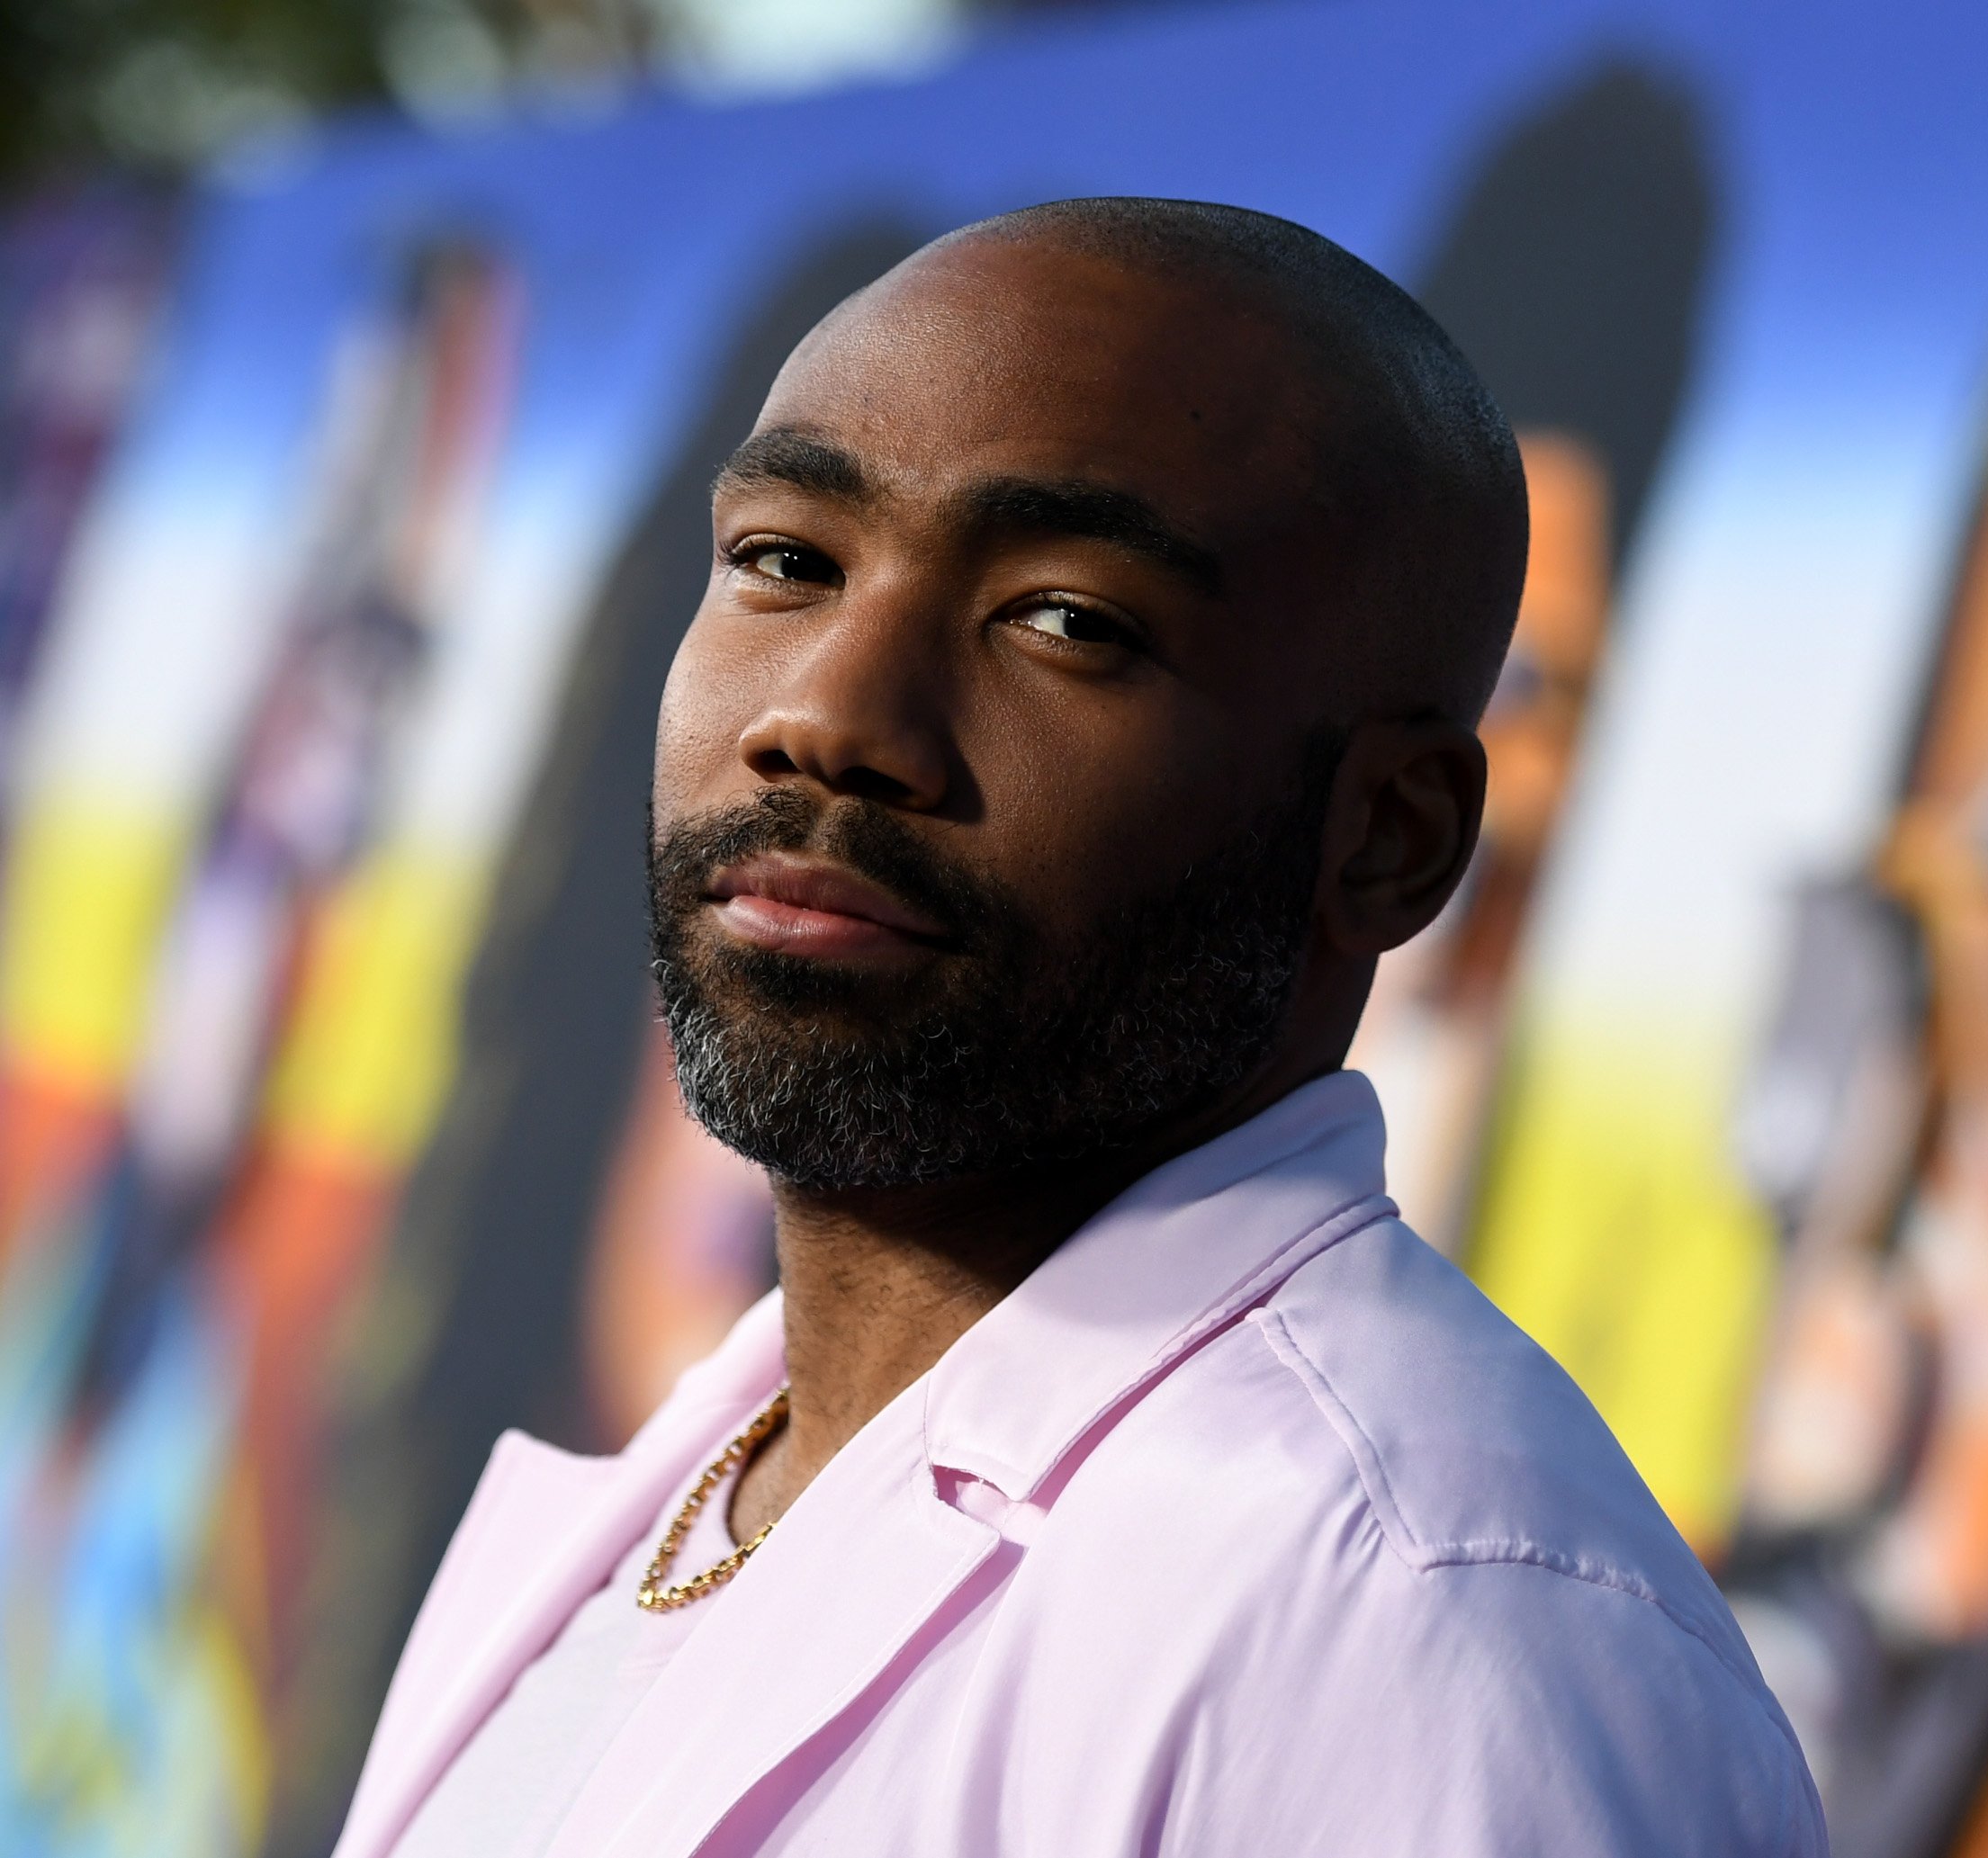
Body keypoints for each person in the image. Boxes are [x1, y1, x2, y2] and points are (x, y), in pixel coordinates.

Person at [329, 198, 1824, 1858]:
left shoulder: (1421, 1633)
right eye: (786, 561)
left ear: (1389, 834)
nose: (828, 714)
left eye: (1066, 620)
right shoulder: (698, 1470)